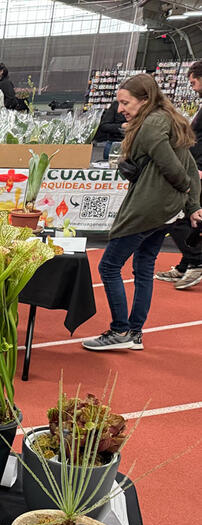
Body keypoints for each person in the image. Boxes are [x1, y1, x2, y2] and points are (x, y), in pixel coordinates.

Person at [82, 73, 202, 352]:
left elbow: (177, 169)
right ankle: (134, 332)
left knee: (109, 266)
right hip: (165, 212)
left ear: (145, 100)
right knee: (144, 267)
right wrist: (192, 204)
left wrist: (185, 190)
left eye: (125, 103)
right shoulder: (168, 119)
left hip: (150, 209)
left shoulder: (151, 125)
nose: (120, 109)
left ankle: (120, 330)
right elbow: (188, 165)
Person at [158, 61, 202, 290]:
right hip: (195, 168)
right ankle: (188, 264)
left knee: (181, 218)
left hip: (198, 171)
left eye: (193, 83)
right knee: (192, 219)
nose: (192, 88)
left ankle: (196, 261)